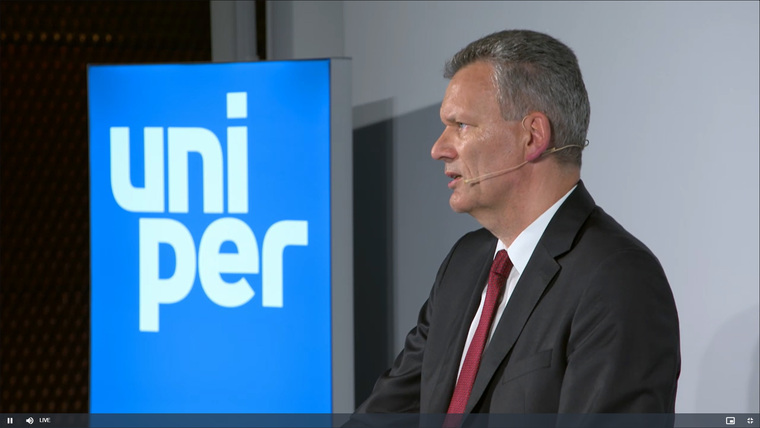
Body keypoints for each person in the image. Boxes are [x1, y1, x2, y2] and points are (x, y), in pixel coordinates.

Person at [355, 30, 680, 414]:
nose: (438, 149)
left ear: (532, 136)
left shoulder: (618, 279)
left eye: (461, 125)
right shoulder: (464, 263)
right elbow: (388, 415)